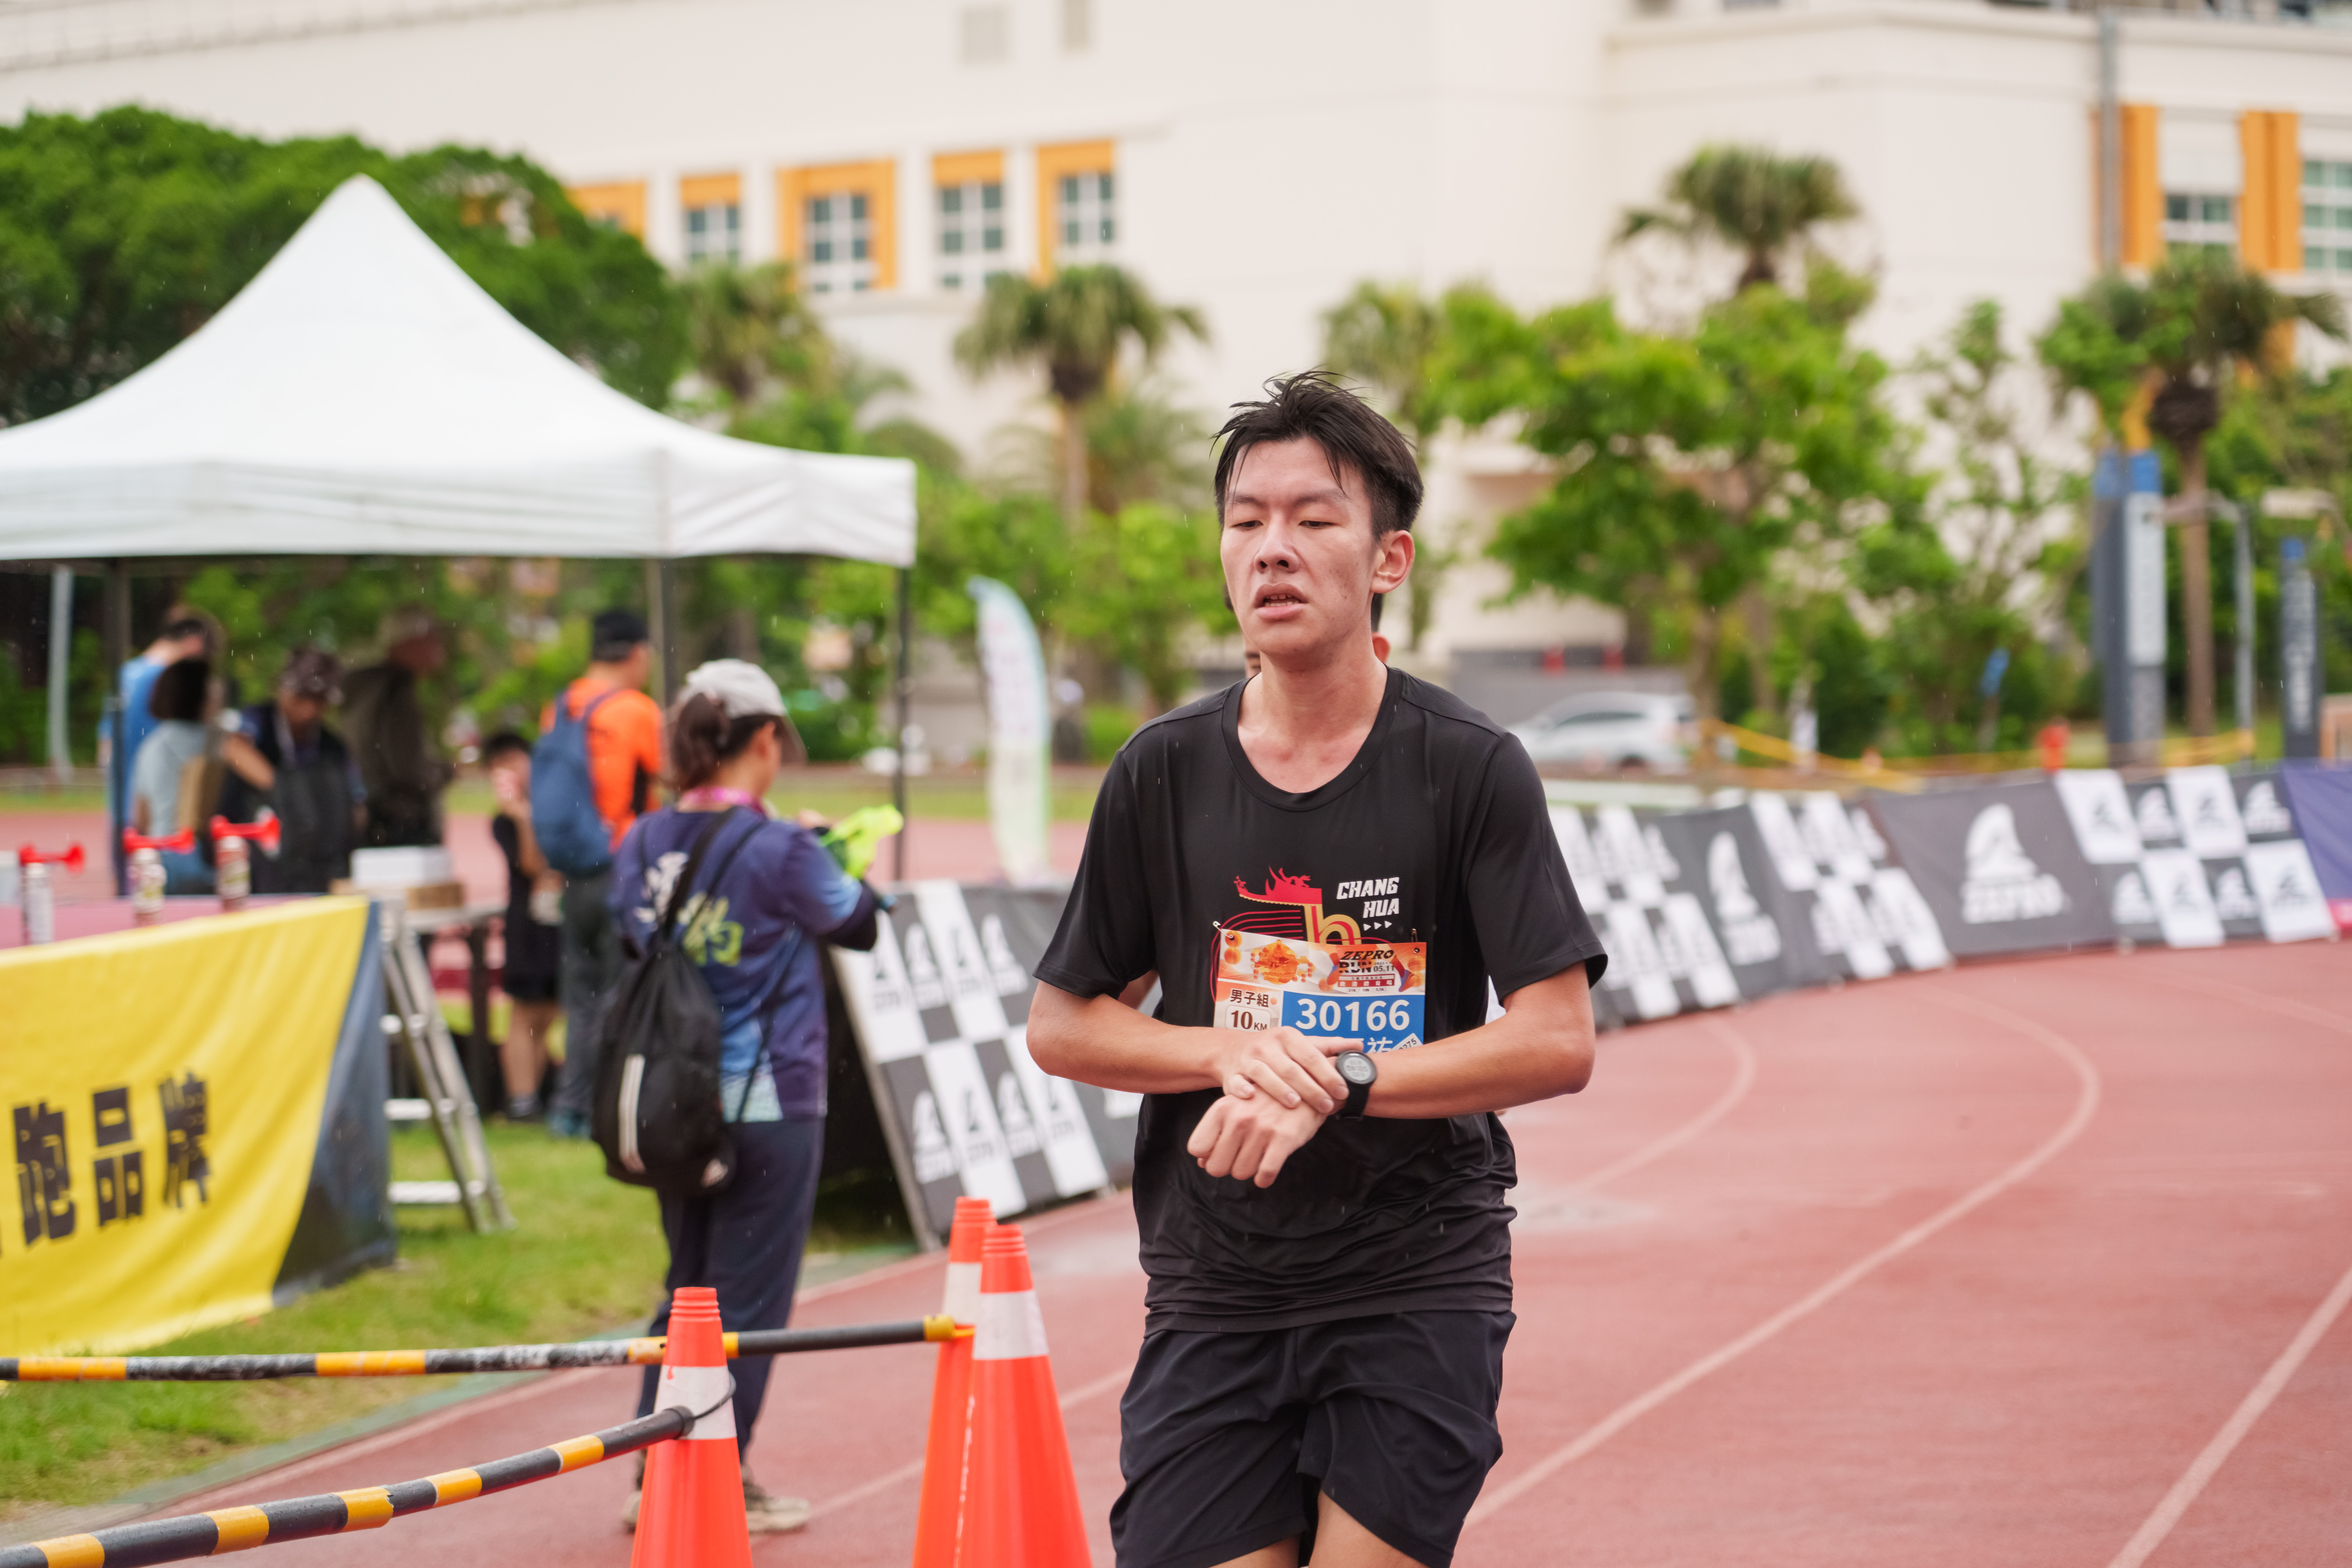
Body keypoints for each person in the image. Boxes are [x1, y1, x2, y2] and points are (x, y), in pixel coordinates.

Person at [1026, 372, 1606, 1568]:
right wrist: (1235, 1052)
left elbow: (1556, 1037)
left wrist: (1339, 1077)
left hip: (1415, 1274)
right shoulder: (1160, 771)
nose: (1271, 549)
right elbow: (1064, 1024)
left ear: (1389, 558)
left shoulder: (1468, 766)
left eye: (1312, 519)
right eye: (1245, 520)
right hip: (1215, 1281)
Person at [610, 659, 882, 1536]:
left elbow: (627, 934)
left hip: (669, 1102)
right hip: (769, 1100)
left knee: (687, 1289)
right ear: (764, 739)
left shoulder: (642, 839)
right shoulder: (782, 848)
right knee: (748, 1305)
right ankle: (714, 1474)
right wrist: (836, 851)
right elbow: (859, 919)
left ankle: (655, 1470)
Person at [544, 609, 665, 1140]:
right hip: (622, 867)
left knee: (582, 998)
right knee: (624, 995)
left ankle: (569, 1108)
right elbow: (671, 776)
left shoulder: (561, 706)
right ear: (638, 653)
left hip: (573, 871)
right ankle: (614, 1105)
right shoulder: (636, 710)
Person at [216, 647, 365, 894]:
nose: (308, 709)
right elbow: (234, 750)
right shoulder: (259, 720)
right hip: (261, 864)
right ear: (283, 690)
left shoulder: (333, 747)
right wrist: (285, 790)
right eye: (301, 697)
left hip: (317, 865)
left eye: (318, 700)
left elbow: (358, 806)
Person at [130, 658, 270, 894]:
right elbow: (266, 778)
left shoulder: (150, 746)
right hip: (196, 854)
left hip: (158, 853)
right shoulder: (218, 739)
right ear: (201, 695)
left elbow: (141, 818)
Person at [484, 731, 562, 1122]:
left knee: (549, 1010)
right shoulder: (505, 821)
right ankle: (522, 1097)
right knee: (524, 1011)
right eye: (502, 765)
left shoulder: (553, 805)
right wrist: (522, 818)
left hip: (553, 919)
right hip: (525, 925)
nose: (513, 770)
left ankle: (536, 1093)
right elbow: (532, 866)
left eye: (517, 760)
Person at [343, 606, 455, 848]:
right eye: (431, 638)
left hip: (378, 815)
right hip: (397, 820)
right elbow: (407, 768)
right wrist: (448, 770)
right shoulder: (395, 692)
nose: (439, 645)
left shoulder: (372, 686)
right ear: (408, 643)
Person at [111, 608, 216, 814]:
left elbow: (107, 746)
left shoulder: (126, 674)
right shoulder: (170, 682)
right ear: (195, 644)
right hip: (163, 805)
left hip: (127, 801)